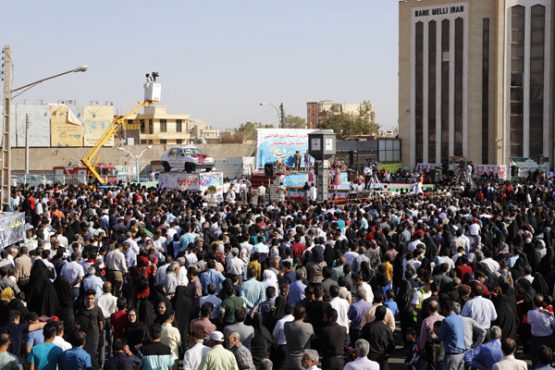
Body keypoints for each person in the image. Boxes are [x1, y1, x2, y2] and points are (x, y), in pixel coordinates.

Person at [360, 305, 395, 370]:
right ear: (384, 316)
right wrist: (388, 353)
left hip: (370, 356)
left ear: (375, 314)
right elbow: (392, 343)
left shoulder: (368, 327)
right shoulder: (387, 329)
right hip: (382, 357)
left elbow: (362, 340)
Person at [438, 300, 466, 370]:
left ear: (445, 309)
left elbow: (440, 337)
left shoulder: (446, 320)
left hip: (452, 355)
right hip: (462, 354)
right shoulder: (460, 318)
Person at [284, 306, 314, 370]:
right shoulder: (308, 326)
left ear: (293, 314)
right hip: (303, 363)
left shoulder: (286, 325)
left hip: (289, 361)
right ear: (304, 315)